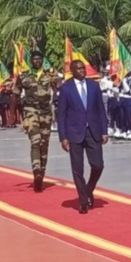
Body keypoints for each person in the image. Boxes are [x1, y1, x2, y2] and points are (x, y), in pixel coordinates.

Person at [57, 60, 109, 214]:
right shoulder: (66, 89)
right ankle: (82, 201)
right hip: (74, 133)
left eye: (83, 68)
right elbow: (61, 115)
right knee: (77, 169)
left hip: (93, 131)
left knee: (98, 165)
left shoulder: (94, 86)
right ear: (72, 71)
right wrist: (63, 137)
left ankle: (88, 189)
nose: (81, 71)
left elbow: (101, 109)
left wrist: (104, 130)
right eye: (78, 68)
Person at [10, 50, 54, 192]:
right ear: (31, 61)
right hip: (30, 111)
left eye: (39, 59)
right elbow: (15, 96)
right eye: (34, 59)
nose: (37, 61)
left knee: (44, 144)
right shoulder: (24, 76)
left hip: (46, 112)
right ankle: (36, 171)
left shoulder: (50, 74)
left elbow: (60, 86)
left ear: (42, 60)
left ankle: (42, 172)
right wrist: (12, 115)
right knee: (35, 140)